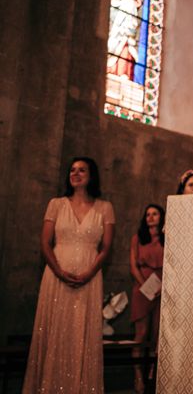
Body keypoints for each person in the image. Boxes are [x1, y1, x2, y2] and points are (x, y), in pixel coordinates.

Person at [23, 157, 115, 393]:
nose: (75, 174)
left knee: (80, 331)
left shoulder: (105, 208)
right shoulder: (56, 204)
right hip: (56, 275)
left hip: (90, 277)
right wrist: (59, 271)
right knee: (54, 329)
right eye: (72, 170)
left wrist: (89, 273)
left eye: (82, 170)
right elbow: (45, 242)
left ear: (91, 175)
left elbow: (106, 248)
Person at [130, 204, 165, 393]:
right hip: (142, 286)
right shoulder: (137, 238)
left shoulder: (167, 237)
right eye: (148, 214)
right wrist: (144, 284)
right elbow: (133, 265)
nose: (151, 217)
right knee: (141, 334)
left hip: (162, 287)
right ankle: (137, 377)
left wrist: (163, 286)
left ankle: (153, 374)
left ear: (161, 217)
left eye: (155, 214)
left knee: (157, 334)